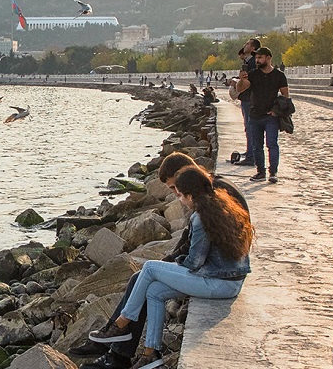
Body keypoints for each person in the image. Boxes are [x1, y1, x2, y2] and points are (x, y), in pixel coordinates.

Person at [71, 154, 247, 369]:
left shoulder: (205, 209)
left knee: (149, 268)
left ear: (188, 187)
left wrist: (170, 265)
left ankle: (120, 327)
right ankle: (150, 353)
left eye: (178, 192)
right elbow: (190, 241)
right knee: (153, 289)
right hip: (225, 274)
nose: (176, 197)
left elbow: (195, 260)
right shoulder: (212, 197)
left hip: (218, 277)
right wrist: (170, 264)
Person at [231, 47, 289, 183]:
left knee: (272, 144)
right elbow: (240, 89)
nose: (257, 60)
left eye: (260, 58)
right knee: (257, 146)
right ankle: (260, 172)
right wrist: (241, 79)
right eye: (256, 58)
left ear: (268, 58)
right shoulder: (253, 74)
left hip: (271, 117)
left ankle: (273, 172)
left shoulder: (279, 76)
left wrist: (276, 111)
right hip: (254, 115)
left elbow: (285, 96)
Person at [229, 39, 262, 167]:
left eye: (248, 44)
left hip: (249, 99)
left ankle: (251, 156)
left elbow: (250, 80)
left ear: (253, 48)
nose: (245, 45)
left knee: (251, 127)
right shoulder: (247, 61)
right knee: (248, 127)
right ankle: (249, 152)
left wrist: (238, 82)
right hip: (246, 98)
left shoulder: (253, 62)